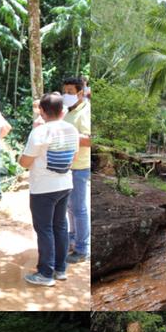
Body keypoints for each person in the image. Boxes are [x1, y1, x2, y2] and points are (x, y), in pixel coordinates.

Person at [20, 93, 78, 286]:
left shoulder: (40, 132)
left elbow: (25, 162)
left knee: (44, 229)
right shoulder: (72, 129)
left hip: (43, 188)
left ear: (42, 111)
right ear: (62, 111)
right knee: (60, 226)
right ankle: (60, 269)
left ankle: (45, 273)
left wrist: (21, 158)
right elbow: (74, 157)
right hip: (65, 184)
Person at [62, 78, 91, 265]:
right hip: (69, 166)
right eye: (65, 91)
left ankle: (82, 249)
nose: (67, 95)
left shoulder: (85, 112)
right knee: (70, 207)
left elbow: (89, 140)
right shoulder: (69, 111)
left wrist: (68, 134)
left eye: (70, 92)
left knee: (79, 209)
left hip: (80, 166)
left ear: (80, 93)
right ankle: (72, 240)